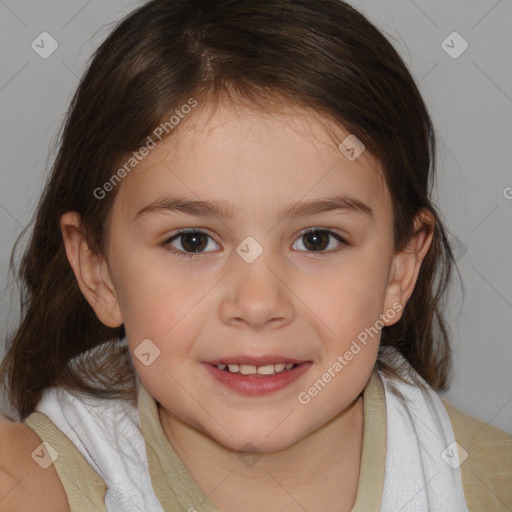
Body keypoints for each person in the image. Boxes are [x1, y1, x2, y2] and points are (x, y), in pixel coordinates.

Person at [0, 0, 510, 511]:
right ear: (99, 272)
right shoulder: (27, 486)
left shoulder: (493, 484)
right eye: (192, 241)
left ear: (399, 272)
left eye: (317, 239)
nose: (259, 303)